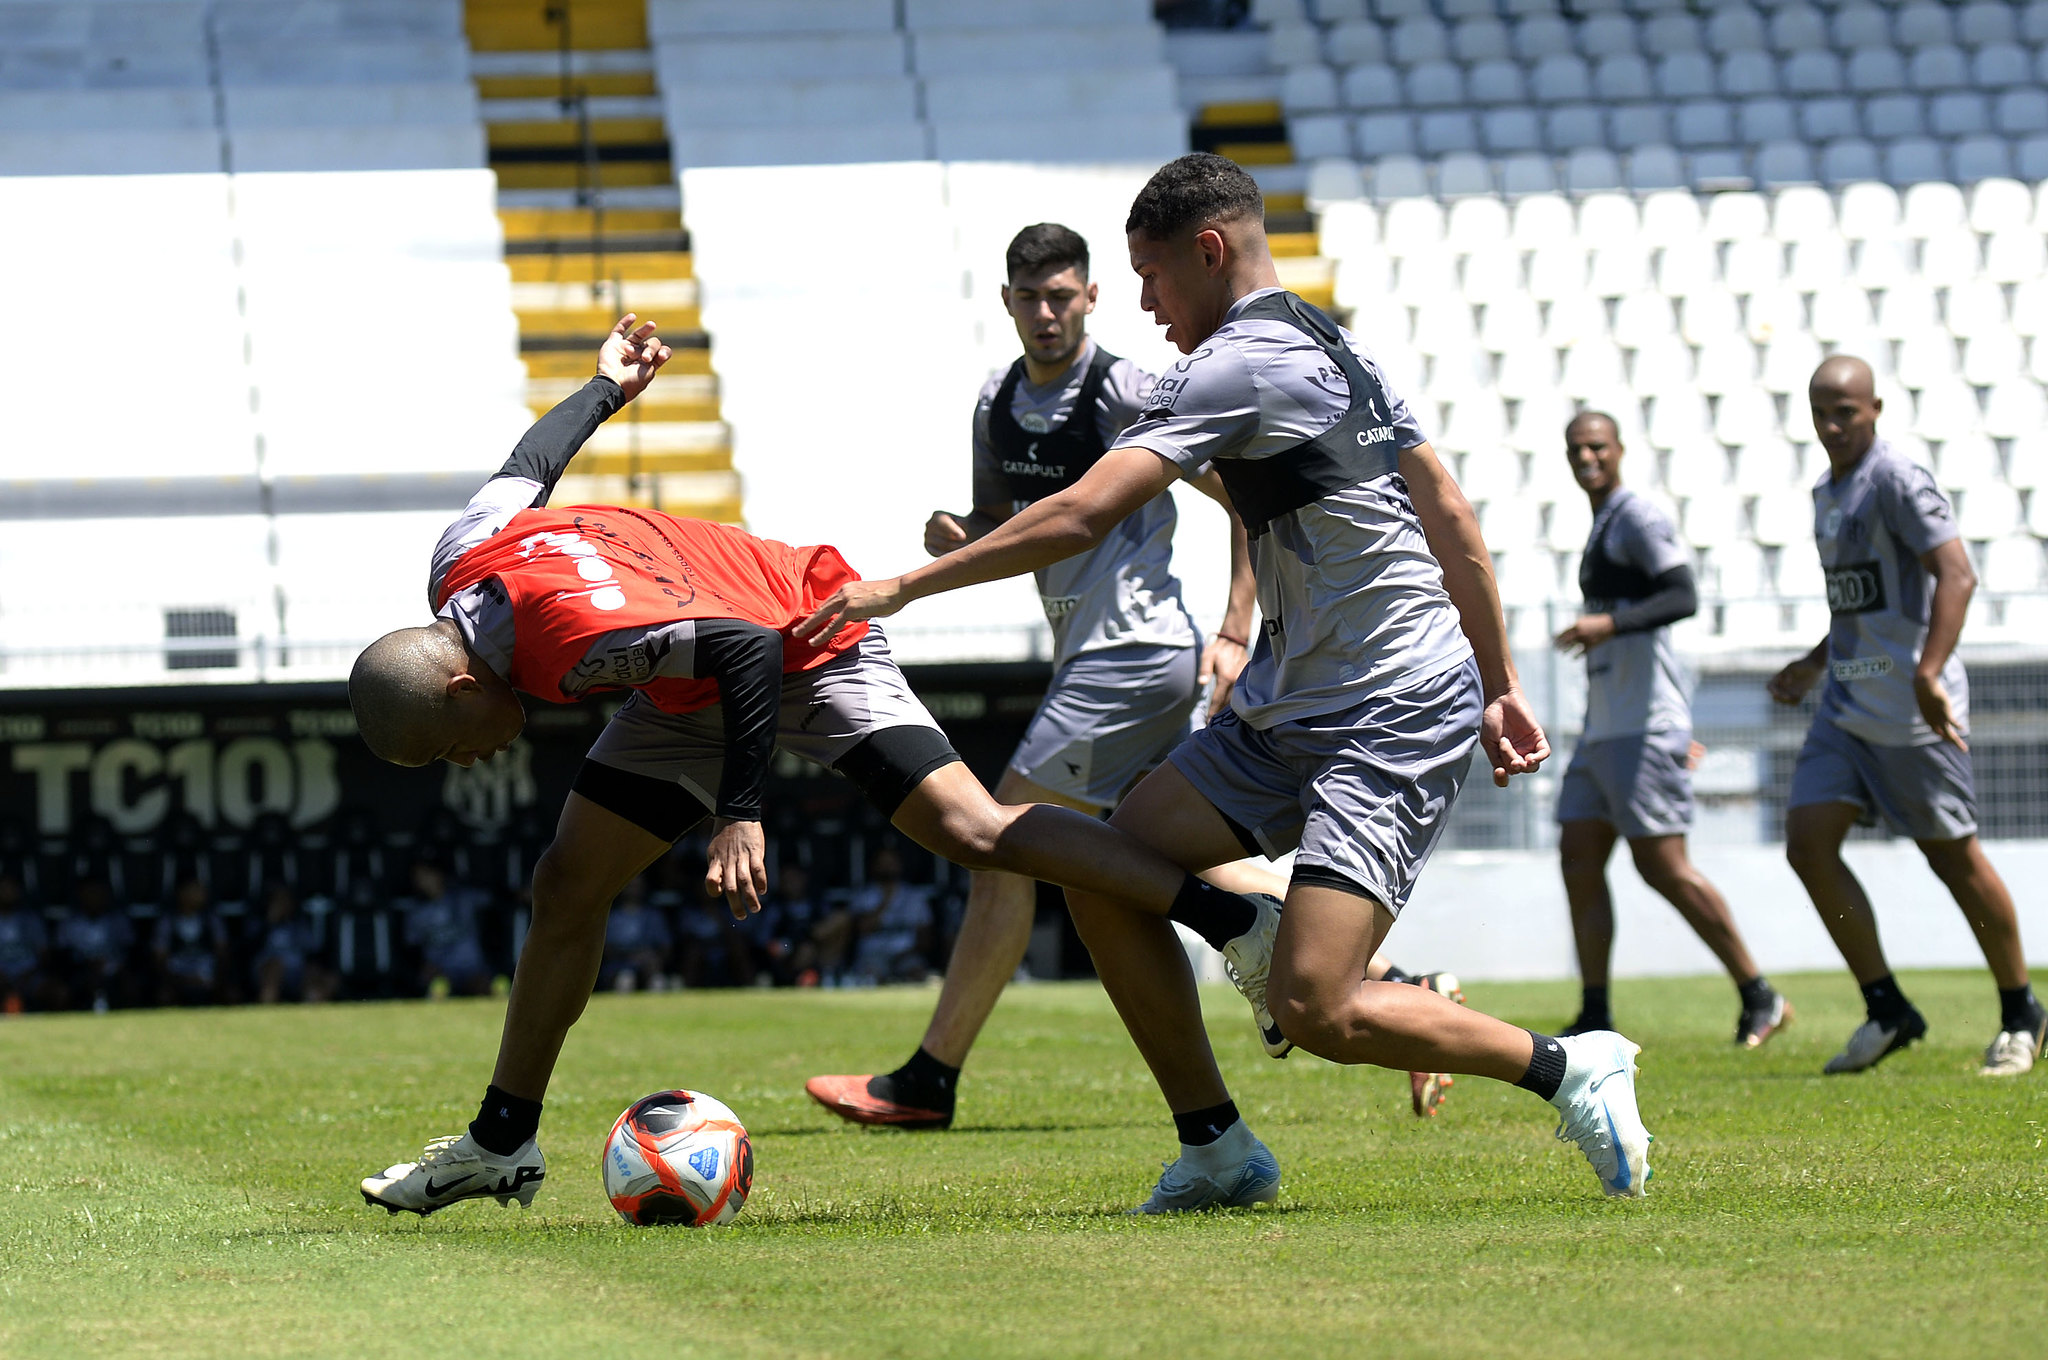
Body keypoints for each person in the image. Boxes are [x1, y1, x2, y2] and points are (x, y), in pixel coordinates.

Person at [796, 154, 1651, 1206]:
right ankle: (1216, 1144)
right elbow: (1448, 510)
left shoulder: (1230, 365)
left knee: (1315, 1007)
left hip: (1389, 702)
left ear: (1207, 252)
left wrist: (904, 586)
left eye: (1151, 276)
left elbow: (1082, 513)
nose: (1145, 304)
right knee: (1102, 867)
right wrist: (1501, 677)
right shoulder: (1336, 343)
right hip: (1291, 701)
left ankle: (1567, 1066)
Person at [351, 314, 1286, 1216]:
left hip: (804, 634)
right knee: (567, 884)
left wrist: (740, 813)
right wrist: (606, 387)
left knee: (971, 829)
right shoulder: (462, 556)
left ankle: (1238, 921)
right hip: (686, 676)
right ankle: (502, 1141)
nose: (468, 762)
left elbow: (747, 648)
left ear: (462, 686)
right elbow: (531, 464)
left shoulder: (566, 634)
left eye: (450, 746)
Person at [807, 222, 1462, 1130]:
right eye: (1030, 298)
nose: (1046, 314)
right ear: (1007, 303)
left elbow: (1244, 498)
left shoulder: (1128, 388)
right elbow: (1007, 520)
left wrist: (1234, 629)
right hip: (1087, 654)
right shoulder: (997, 400)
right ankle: (1402, 987)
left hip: (1136, 653)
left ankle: (930, 1078)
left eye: (1062, 296)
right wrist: (963, 537)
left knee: (1004, 833)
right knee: (1141, 856)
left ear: (1090, 298)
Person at [1767, 355, 2044, 1078]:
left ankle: (2022, 1012)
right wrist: (1814, 662)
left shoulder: (1896, 478)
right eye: (1821, 413)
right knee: (1808, 843)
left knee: (1953, 859)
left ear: (1875, 409)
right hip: (1846, 706)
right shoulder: (1826, 490)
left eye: (1845, 412)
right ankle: (1887, 1008)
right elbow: (1859, 601)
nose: (1832, 426)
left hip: (1913, 712)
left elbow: (1957, 573)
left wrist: (1927, 671)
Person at [1550, 412, 1791, 1045]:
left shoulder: (1637, 516)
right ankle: (1595, 1011)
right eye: (1576, 449)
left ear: (1620, 449)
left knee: (1664, 867)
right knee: (1578, 857)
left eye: (1597, 446)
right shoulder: (1603, 522)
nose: (1587, 458)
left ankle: (1759, 993)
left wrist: (1607, 625)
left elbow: (1683, 595)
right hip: (1603, 728)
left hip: (1644, 725)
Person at [399, 859, 494, 999]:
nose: (421, 881)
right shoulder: (416, 912)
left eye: (425, 875)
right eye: (417, 877)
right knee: (437, 987)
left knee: (486, 987)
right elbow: (411, 948)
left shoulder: (464, 897)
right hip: (440, 969)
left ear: (439, 874)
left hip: (472, 968)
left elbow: (496, 897)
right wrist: (423, 967)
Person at [249, 884, 338, 1005]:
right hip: (268, 969)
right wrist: (270, 921)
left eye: (286, 900)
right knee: (274, 967)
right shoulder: (259, 922)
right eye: (279, 900)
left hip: (298, 970)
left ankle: (308, 1010)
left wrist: (313, 970)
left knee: (327, 979)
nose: (283, 904)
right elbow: (249, 950)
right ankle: (267, 1003)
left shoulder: (299, 925)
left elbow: (314, 953)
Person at [57, 878, 132, 1013]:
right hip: (81, 970)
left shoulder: (118, 920)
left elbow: (131, 951)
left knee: (129, 983)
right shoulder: (70, 923)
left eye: (98, 893)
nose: (94, 898)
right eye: (90, 893)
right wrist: (86, 964)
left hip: (115, 970)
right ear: (80, 895)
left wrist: (116, 965)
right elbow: (63, 956)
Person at [153, 877, 228, 1007]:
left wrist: (218, 978)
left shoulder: (211, 919)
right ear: (182, 894)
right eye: (196, 890)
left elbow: (222, 952)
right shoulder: (168, 921)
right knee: (164, 995)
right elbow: (159, 959)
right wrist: (181, 980)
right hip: (177, 975)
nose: (202, 894)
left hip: (207, 974)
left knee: (230, 993)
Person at [597, 876, 673, 992]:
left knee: (658, 981)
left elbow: (666, 947)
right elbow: (604, 949)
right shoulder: (611, 917)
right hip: (618, 967)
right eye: (630, 886)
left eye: (637, 886)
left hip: (650, 966)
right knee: (626, 980)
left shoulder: (654, 916)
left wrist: (652, 958)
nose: (634, 890)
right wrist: (631, 957)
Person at [0, 875, 54, 1013]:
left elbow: (44, 955)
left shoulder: (31, 920)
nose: (7, 893)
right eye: (3, 889)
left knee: (56, 992)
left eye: (11, 889)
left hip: (30, 975)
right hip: (2, 976)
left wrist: (27, 975)